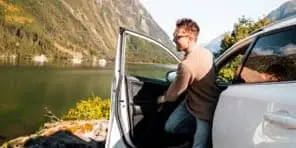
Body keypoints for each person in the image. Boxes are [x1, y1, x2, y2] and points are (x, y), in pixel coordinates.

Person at [158, 18, 221, 148]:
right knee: (171, 127)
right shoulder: (207, 53)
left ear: (190, 38)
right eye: (174, 36)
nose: (174, 39)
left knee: (198, 145)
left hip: (206, 111)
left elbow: (174, 94)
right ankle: (191, 137)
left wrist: (163, 98)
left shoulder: (186, 65)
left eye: (178, 36)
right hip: (191, 103)